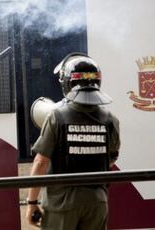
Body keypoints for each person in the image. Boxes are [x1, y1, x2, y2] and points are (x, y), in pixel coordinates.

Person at [25, 53, 121, 230]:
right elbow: (112, 158)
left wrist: (31, 202)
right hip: (97, 202)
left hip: (61, 203)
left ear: (67, 82)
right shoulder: (111, 119)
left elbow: (40, 162)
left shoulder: (56, 116)